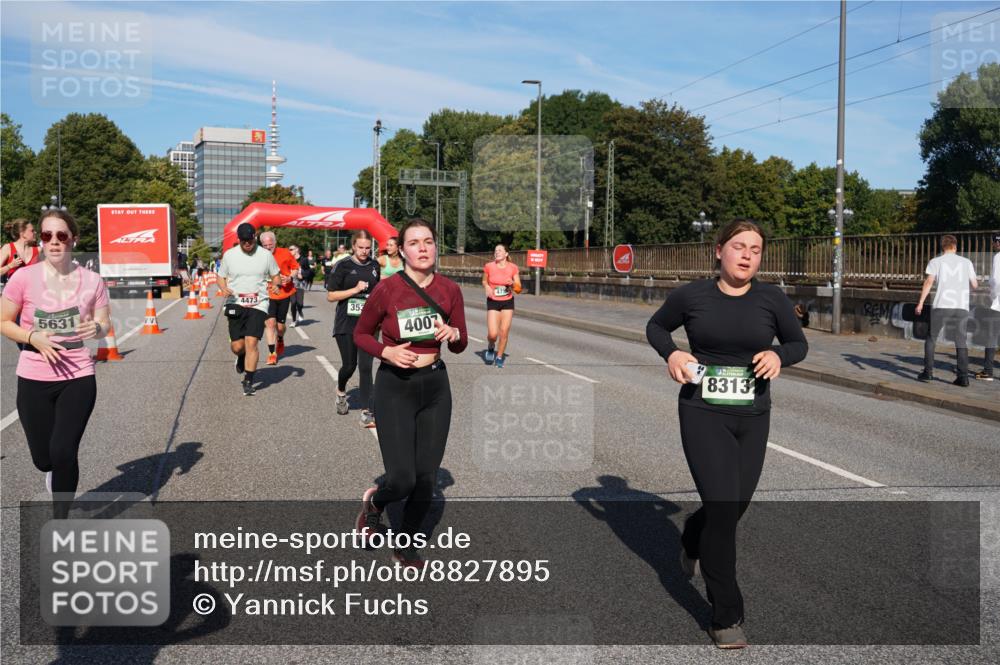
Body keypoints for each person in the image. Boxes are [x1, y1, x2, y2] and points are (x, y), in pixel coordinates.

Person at [646, 219, 807, 649]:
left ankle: (692, 536)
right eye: (739, 246)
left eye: (755, 249)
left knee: (733, 507)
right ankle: (726, 616)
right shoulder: (692, 295)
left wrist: (778, 355)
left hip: (753, 415)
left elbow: (798, 344)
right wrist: (674, 353)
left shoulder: (772, 298)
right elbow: (656, 328)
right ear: (719, 250)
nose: (747, 255)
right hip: (703, 412)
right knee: (723, 509)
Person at [353, 218, 467, 568]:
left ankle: (405, 544)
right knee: (401, 480)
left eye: (429, 241)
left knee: (425, 480)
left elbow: (461, 343)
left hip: (434, 387)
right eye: (414, 242)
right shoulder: (387, 289)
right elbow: (361, 334)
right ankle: (376, 503)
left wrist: (453, 334)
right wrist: (386, 352)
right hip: (394, 387)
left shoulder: (450, 290)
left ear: (435, 247)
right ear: (401, 250)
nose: (423, 247)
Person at [0, 210, 111, 519]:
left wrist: (97, 329)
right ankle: (52, 473)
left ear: (73, 238)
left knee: (63, 451)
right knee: (44, 459)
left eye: (61, 235)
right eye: (47, 235)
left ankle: (60, 521)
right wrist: (32, 336)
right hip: (33, 375)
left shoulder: (92, 281)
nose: (53, 242)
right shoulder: (24, 278)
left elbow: (103, 322)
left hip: (77, 375)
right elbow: (3, 322)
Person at [217, 223, 280, 396]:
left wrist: (276, 285)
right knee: (237, 346)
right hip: (235, 302)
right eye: (244, 240)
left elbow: (276, 275)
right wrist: (223, 288)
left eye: (250, 240)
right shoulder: (230, 255)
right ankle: (241, 357)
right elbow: (220, 276)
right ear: (239, 239)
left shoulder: (265, 255)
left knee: (252, 342)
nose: (247, 244)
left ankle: (248, 380)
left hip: (258, 303)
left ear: (255, 237)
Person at [326, 230, 380, 426]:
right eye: (361, 248)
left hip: (368, 325)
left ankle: (367, 411)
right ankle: (341, 391)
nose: (365, 251)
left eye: (368, 248)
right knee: (350, 366)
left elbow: (377, 292)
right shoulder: (343, 266)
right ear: (353, 247)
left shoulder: (374, 265)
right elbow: (331, 296)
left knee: (366, 367)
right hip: (346, 323)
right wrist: (355, 290)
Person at [915, 234, 978, 387]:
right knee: (961, 341)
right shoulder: (966, 262)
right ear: (955, 246)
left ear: (942, 246)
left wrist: (920, 303)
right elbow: (975, 285)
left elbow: (929, 282)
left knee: (931, 338)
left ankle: (928, 373)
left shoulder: (936, 262)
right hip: (961, 306)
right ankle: (963, 378)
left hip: (941, 305)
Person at [259, 231, 299, 365]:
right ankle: (271, 353)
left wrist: (289, 277)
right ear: (261, 245)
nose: (268, 247)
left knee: (280, 327)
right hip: (267, 294)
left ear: (275, 243)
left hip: (284, 293)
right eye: (265, 245)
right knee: (270, 323)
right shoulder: (258, 255)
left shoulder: (285, 253)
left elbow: (295, 268)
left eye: (270, 244)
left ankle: (280, 339)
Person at [482, 244, 521, 368]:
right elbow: (484, 280)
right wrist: (487, 287)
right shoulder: (489, 266)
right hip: (493, 301)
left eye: (500, 250)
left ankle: (499, 356)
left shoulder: (513, 268)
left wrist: (513, 283)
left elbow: (519, 289)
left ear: (506, 254)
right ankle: (491, 346)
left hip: (507, 302)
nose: (497, 252)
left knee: (504, 332)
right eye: (495, 250)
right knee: (493, 334)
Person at [975, 233, 1000, 381]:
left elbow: (996, 281)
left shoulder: (998, 257)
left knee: (991, 335)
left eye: (995, 242)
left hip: (998, 304)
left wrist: (993, 296)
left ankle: (988, 371)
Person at [1, 218, 40, 286]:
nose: (35, 233)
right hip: (13, 294)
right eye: (32, 231)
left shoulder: (39, 250)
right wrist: (10, 266)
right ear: (22, 234)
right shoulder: (8, 248)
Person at [288, 245, 307, 327]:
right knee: (293, 303)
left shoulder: (303, 260)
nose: (290, 251)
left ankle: (300, 311)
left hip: (300, 284)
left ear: (297, 250)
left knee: (300, 304)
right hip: (291, 284)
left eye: (291, 249)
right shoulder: (288, 259)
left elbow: (309, 271)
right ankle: (294, 320)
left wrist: (302, 275)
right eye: (289, 249)